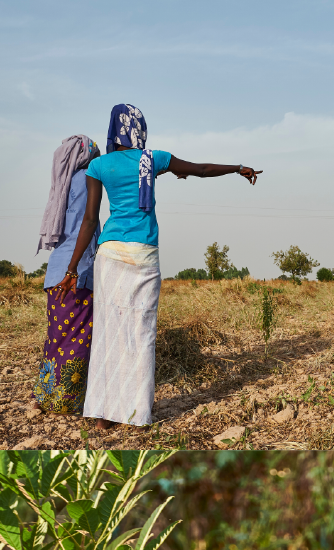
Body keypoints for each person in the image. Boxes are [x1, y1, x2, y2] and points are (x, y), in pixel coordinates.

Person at [52, 104, 262, 431]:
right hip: (144, 253)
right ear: (140, 130)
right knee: (141, 332)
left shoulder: (98, 166)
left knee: (109, 332)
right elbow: (201, 169)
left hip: (110, 253)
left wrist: (71, 268)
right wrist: (238, 168)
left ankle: (102, 417)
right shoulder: (153, 160)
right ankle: (136, 416)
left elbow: (91, 220)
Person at [33, 135, 101, 415]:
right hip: (76, 271)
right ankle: (66, 402)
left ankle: (46, 397)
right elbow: (89, 221)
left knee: (56, 339)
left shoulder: (62, 184)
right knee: (77, 338)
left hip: (55, 272)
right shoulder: (88, 179)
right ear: (87, 157)